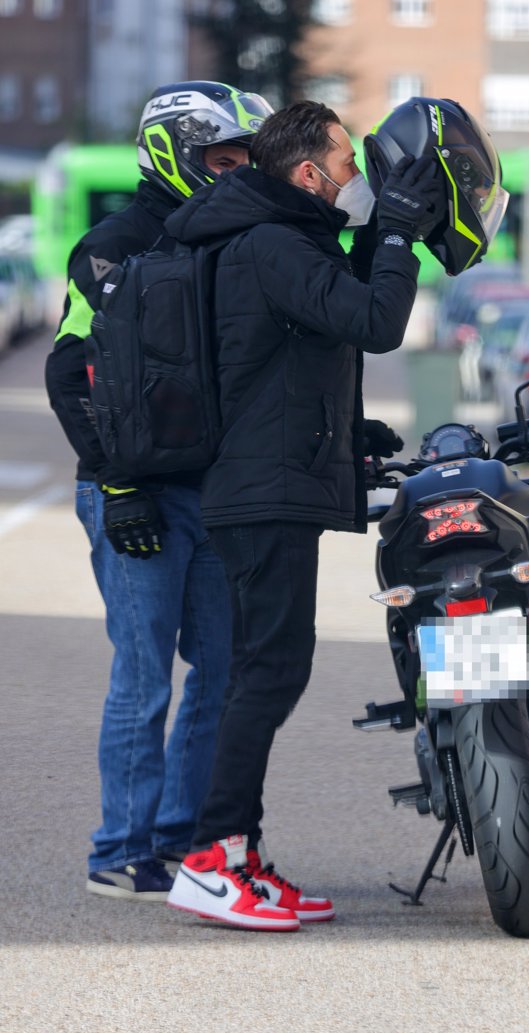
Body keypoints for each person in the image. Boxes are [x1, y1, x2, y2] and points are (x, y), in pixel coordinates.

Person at [164, 99, 448, 932]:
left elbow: (287, 361)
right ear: (307, 173)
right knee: (265, 674)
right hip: (259, 493)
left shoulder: (284, 241)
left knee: (271, 668)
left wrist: (347, 432)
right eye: (350, 164)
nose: (360, 178)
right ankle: (213, 858)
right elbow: (376, 321)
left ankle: (238, 851)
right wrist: (393, 231)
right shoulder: (270, 244)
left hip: (270, 484)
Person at [44, 81, 273, 901]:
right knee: (144, 680)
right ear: (176, 151)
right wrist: (119, 482)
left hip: (208, 493)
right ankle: (119, 849)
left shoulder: (230, 240)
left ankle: (185, 841)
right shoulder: (115, 244)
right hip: (131, 491)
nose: (235, 172)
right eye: (222, 157)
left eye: (243, 158)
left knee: (219, 671)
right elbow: (70, 372)